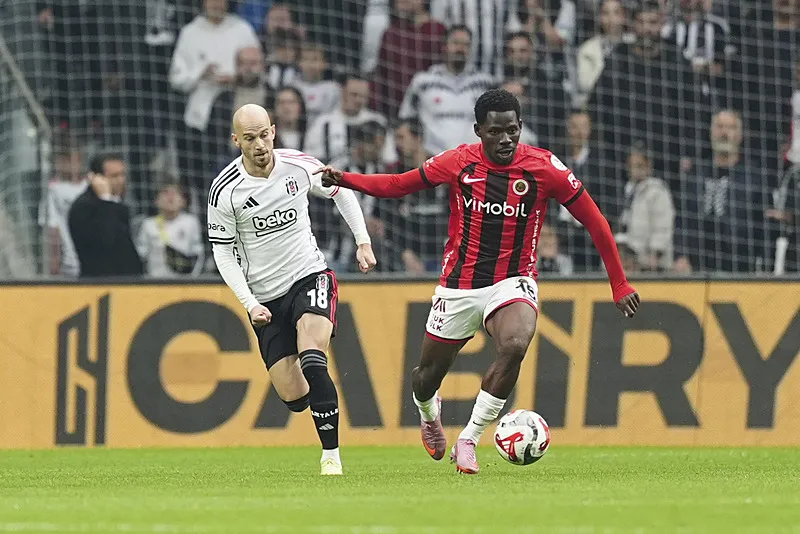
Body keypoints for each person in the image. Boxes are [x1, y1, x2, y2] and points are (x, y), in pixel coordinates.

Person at [316, 89, 640, 474]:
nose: (505, 139)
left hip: (514, 279)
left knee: (515, 344)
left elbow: (595, 221)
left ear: (520, 128)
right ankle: (428, 413)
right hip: (459, 285)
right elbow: (400, 184)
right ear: (479, 131)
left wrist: (619, 283)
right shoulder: (458, 162)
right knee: (426, 378)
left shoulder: (544, 167)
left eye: (512, 131)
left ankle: (469, 439)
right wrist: (347, 180)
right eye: (495, 131)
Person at [207, 104, 377, 475]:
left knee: (312, 358)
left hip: (309, 275)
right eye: (249, 139)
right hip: (265, 298)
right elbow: (222, 252)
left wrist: (362, 241)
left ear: (273, 131)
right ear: (236, 141)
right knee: (295, 397)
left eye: (263, 135)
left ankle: (331, 458)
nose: (259, 145)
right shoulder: (225, 190)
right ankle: (317, 396)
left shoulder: (298, 165)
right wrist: (249, 303)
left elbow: (340, 190)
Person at [68, 152, 143, 278]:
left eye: (123, 174)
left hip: (127, 282)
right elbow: (106, 240)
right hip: (100, 283)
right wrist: (106, 199)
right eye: (114, 176)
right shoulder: (83, 207)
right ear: (97, 179)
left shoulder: (117, 203)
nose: (121, 180)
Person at [137, 184, 204, 278]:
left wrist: (193, 278)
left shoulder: (191, 222)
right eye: (165, 193)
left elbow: (198, 253)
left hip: (184, 281)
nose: (170, 197)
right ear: (156, 201)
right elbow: (141, 254)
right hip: (155, 280)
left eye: (175, 193)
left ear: (183, 201)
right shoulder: (148, 225)